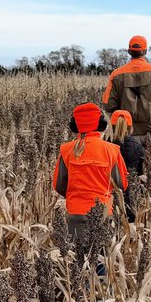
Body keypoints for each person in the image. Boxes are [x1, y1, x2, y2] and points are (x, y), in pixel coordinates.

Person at [52, 102, 128, 271]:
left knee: (77, 261)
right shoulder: (112, 150)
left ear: (74, 126)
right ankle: (98, 295)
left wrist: (75, 194)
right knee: (100, 261)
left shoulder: (66, 150)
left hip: (75, 215)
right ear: (101, 125)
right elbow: (121, 184)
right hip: (103, 214)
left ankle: (79, 294)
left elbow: (58, 184)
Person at [102, 34, 151, 137]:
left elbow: (108, 105)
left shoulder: (116, 74)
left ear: (129, 51)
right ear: (145, 51)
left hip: (125, 133)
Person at [105, 109, 145, 222]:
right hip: (130, 198)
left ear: (110, 126)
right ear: (130, 127)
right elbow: (142, 173)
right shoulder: (137, 146)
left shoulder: (104, 146)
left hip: (108, 198)